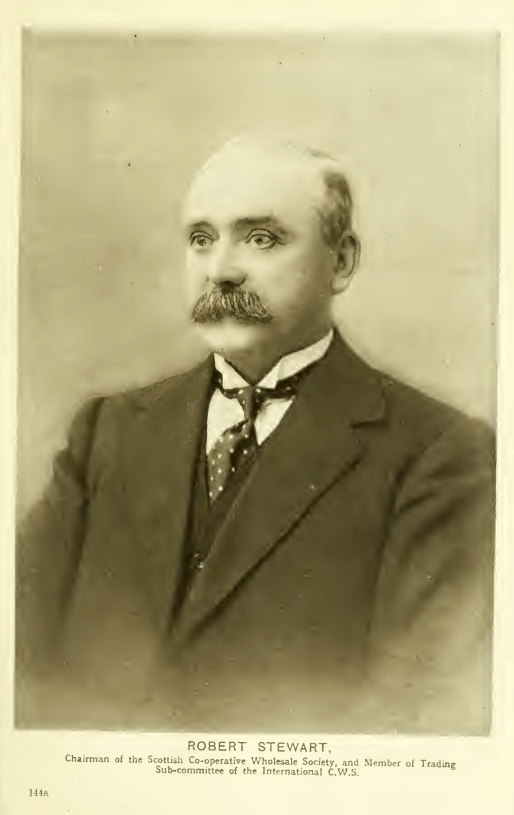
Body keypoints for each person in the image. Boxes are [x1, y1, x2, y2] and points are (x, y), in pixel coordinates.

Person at [16, 136, 495, 733]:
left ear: (341, 261)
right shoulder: (104, 433)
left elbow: (415, 719)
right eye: (201, 239)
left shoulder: (441, 455)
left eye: (261, 238)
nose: (220, 269)